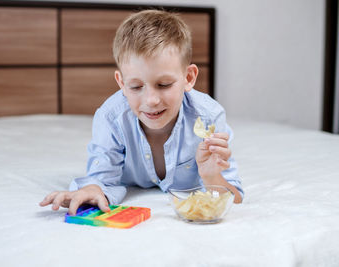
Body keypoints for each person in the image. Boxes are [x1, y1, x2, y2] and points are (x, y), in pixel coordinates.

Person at [40, 10, 243, 215]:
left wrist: (211, 178)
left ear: (189, 77)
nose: (151, 100)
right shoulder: (111, 117)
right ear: (121, 83)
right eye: (136, 87)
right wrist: (92, 189)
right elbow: (101, 178)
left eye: (164, 85)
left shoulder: (209, 116)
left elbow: (234, 197)